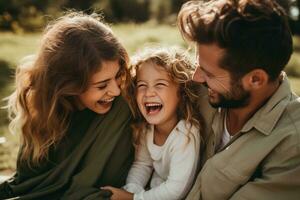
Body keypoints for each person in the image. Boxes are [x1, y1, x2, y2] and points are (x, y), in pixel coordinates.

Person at [0, 12, 134, 200]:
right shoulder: (46, 107)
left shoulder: (121, 107)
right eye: (102, 85)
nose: (115, 90)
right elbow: (28, 177)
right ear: (68, 84)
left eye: (118, 76)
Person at [177, 0, 300, 199]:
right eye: (197, 64)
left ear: (256, 79)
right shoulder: (198, 91)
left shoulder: (293, 145)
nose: (196, 78)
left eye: (209, 74)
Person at [102, 46, 203, 200]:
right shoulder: (147, 129)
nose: (149, 93)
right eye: (142, 86)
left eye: (160, 85)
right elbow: (142, 165)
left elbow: (176, 190)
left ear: (181, 93)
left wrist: (133, 198)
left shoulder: (185, 134)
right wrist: (130, 190)